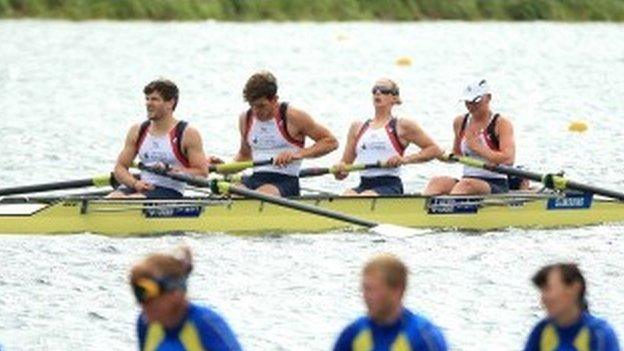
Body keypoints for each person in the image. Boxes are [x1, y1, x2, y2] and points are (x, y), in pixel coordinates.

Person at [233, 71, 338, 197]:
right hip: (255, 179)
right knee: (232, 191)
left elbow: (331, 142)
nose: (256, 111)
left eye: (261, 106)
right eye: (252, 106)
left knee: (262, 194)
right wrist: (223, 166)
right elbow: (244, 156)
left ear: (274, 100)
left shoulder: (293, 116)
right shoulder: (245, 119)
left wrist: (297, 154)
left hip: (285, 181)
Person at [334, 78, 441, 196]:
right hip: (363, 185)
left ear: (394, 98)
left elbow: (434, 150)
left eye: (384, 90)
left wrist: (405, 160)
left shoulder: (402, 125)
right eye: (375, 90)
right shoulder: (357, 127)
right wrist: (339, 169)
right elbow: (343, 172)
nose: (378, 93)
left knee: (366, 196)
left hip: (390, 186)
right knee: (346, 195)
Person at [108, 79, 208, 199]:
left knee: (129, 200)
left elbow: (202, 173)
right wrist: (135, 183)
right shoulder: (138, 130)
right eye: (147, 99)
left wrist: (173, 170)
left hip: (169, 191)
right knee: (113, 197)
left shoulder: (188, 133)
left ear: (170, 103)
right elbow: (120, 167)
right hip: (142, 187)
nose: (148, 103)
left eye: (155, 99)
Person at [130, 246, 242, 351]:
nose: (143, 304)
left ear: (175, 293)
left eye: (150, 296)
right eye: (138, 296)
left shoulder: (207, 325)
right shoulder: (145, 325)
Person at [333, 254, 448, 351]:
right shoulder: (354, 333)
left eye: (371, 289)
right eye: (364, 288)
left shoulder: (423, 337)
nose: (365, 296)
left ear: (397, 290)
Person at [424, 79, 515, 195]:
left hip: (494, 182)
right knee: (436, 182)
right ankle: (422, 211)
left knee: (465, 185)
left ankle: (451, 209)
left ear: (488, 98)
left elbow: (509, 160)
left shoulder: (501, 124)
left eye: (475, 101)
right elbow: (457, 155)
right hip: (467, 180)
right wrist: (437, 154)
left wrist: (477, 148)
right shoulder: (460, 122)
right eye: (467, 101)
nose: (471, 106)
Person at [523, 263, 620, 351]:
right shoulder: (541, 331)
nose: (544, 298)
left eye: (548, 289)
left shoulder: (599, 333)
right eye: (542, 291)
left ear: (575, 288)